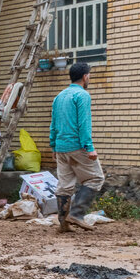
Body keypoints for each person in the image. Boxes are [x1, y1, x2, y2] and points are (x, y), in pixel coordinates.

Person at [50, 62, 104, 232]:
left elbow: (53, 124)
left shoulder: (59, 96)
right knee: (96, 178)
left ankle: (63, 224)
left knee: (65, 184)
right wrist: (89, 147)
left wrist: (53, 145)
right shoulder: (82, 96)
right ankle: (77, 214)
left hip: (61, 147)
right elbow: (84, 123)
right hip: (77, 146)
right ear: (85, 76)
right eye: (89, 75)